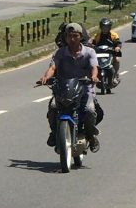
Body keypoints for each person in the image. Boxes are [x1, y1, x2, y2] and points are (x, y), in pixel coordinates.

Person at [40, 23, 100, 151]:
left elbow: (94, 67)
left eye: (75, 36)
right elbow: (53, 67)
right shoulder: (60, 53)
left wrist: (94, 77)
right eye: (69, 36)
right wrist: (46, 77)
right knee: (53, 108)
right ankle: (54, 132)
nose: (72, 39)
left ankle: (91, 136)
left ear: (81, 36)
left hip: (85, 90)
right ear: (65, 37)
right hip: (64, 90)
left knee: (89, 110)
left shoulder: (89, 52)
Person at [91, 17, 122, 83]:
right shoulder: (97, 35)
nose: (105, 29)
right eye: (103, 27)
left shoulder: (114, 35)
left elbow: (118, 43)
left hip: (110, 52)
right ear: (101, 27)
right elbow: (93, 44)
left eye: (106, 27)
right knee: (91, 62)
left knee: (117, 60)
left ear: (109, 27)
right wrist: (91, 47)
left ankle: (115, 75)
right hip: (99, 53)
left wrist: (117, 47)